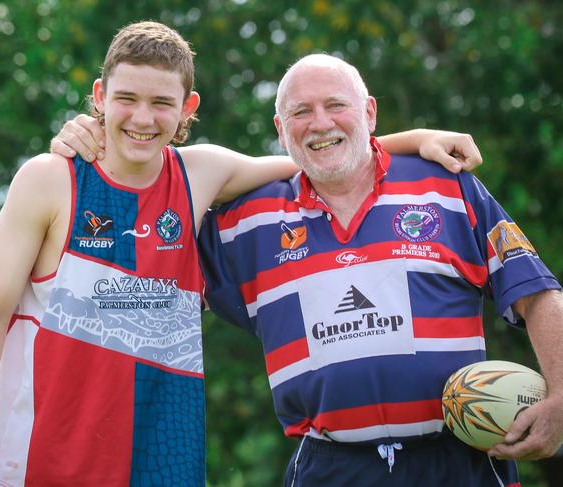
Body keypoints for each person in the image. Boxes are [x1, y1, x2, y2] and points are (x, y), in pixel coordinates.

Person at [0, 20, 483, 487]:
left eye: (161, 103)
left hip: (164, 456)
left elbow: (317, 159)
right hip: (46, 454)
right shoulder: (48, 179)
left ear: (187, 108)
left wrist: (419, 137)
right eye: (126, 98)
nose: (142, 118)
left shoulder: (199, 174)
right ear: (99, 96)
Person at [196, 53, 563, 486]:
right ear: (280, 130)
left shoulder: (446, 185)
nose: (319, 123)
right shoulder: (246, 222)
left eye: (336, 105)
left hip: (460, 462)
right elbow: (152, 235)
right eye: (300, 112)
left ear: (369, 112)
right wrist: (100, 139)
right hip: (331, 468)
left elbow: (535, 291)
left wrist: (561, 398)